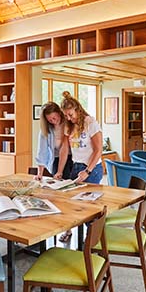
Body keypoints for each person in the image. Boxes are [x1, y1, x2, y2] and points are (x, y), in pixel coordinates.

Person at [56, 91, 103, 242]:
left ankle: (92, 238)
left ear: (78, 109)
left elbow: (98, 150)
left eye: (71, 114)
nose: (69, 118)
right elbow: (64, 149)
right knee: (69, 201)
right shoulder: (68, 126)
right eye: (66, 116)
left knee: (89, 205)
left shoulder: (90, 122)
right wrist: (59, 171)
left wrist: (88, 170)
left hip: (92, 168)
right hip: (76, 167)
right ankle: (68, 230)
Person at [34, 101, 72, 180]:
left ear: (59, 113)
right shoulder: (46, 129)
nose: (53, 121)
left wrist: (60, 171)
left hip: (72, 159)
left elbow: (65, 149)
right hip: (56, 159)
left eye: (54, 118)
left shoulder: (68, 123)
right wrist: (40, 174)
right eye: (50, 120)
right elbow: (42, 151)